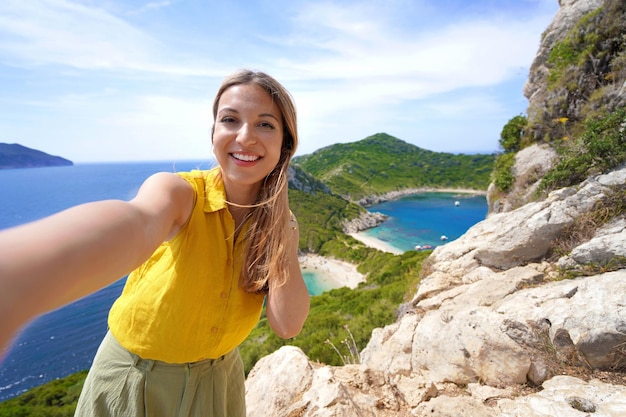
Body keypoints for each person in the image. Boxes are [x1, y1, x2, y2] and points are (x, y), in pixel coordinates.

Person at [0, 69, 310, 416]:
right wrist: (19, 276)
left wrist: (281, 228)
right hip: (135, 380)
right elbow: (136, 225)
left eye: (265, 124)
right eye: (230, 120)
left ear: (286, 143)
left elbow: (287, 325)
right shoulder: (179, 193)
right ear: (214, 133)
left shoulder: (283, 226)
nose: (245, 136)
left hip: (218, 381)